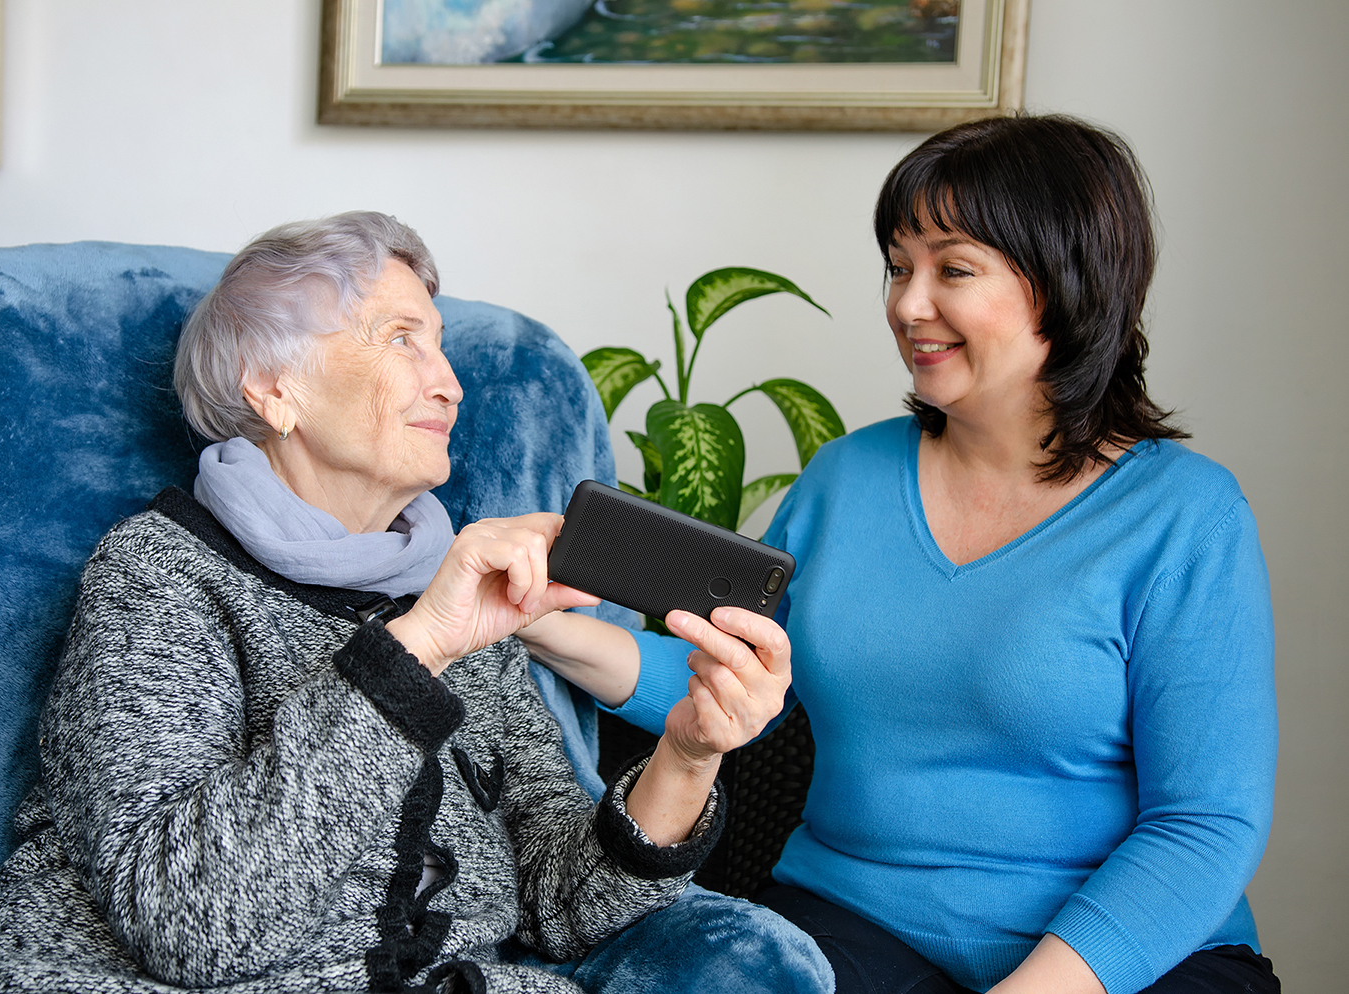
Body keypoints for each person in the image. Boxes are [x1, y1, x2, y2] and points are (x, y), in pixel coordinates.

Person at [0, 212, 833, 994]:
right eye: (400, 338)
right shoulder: (157, 575)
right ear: (272, 389)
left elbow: (563, 905)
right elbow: (192, 924)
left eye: (440, 344)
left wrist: (686, 753)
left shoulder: (461, 598)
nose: (449, 381)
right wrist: (419, 649)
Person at [519, 115, 1279, 994]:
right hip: (851, 927)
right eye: (898, 266)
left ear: (1069, 284)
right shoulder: (847, 478)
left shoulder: (1186, 515)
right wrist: (541, 622)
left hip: (1126, 960)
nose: (908, 305)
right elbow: (717, 675)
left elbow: (1205, 825)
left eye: (952, 269)